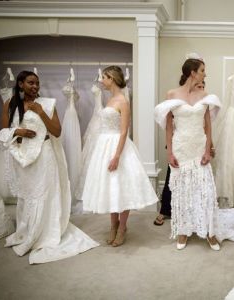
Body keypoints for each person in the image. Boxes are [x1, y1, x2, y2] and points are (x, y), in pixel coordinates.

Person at [0, 71, 98, 264]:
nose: (35, 86)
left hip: (44, 154)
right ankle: (27, 231)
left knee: (45, 193)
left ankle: (45, 233)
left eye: (37, 83)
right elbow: (4, 131)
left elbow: (57, 131)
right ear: (20, 84)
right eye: (30, 83)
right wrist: (17, 131)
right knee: (28, 195)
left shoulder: (47, 103)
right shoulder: (10, 104)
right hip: (23, 157)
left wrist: (40, 112)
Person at [81, 66, 158, 247]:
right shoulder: (109, 100)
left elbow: (124, 132)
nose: (101, 81)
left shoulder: (122, 101)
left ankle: (122, 228)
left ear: (112, 79)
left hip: (118, 147)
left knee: (122, 188)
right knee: (111, 187)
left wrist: (116, 156)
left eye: (104, 77)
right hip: (103, 146)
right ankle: (113, 226)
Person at [154, 57, 222, 250]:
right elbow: (168, 126)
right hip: (181, 146)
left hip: (199, 146)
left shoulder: (204, 95)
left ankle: (210, 232)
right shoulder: (172, 94)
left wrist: (208, 149)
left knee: (205, 191)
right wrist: (169, 153)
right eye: (202, 70)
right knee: (182, 190)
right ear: (193, 72)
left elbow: (208, 126)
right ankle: (183, 231)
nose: (204, 74)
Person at [153, 81, 213, 226]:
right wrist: (171, 149)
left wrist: (210, 147)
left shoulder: (202, 99)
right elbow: (169, 123)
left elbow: (206, 126)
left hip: (197, 143)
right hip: (179, 142)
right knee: (173, 179)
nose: (201, 89)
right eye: (199, 86)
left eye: (202, 86)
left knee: (199, 180)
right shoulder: (177, 97)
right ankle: (166, 210)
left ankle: (197, 215)